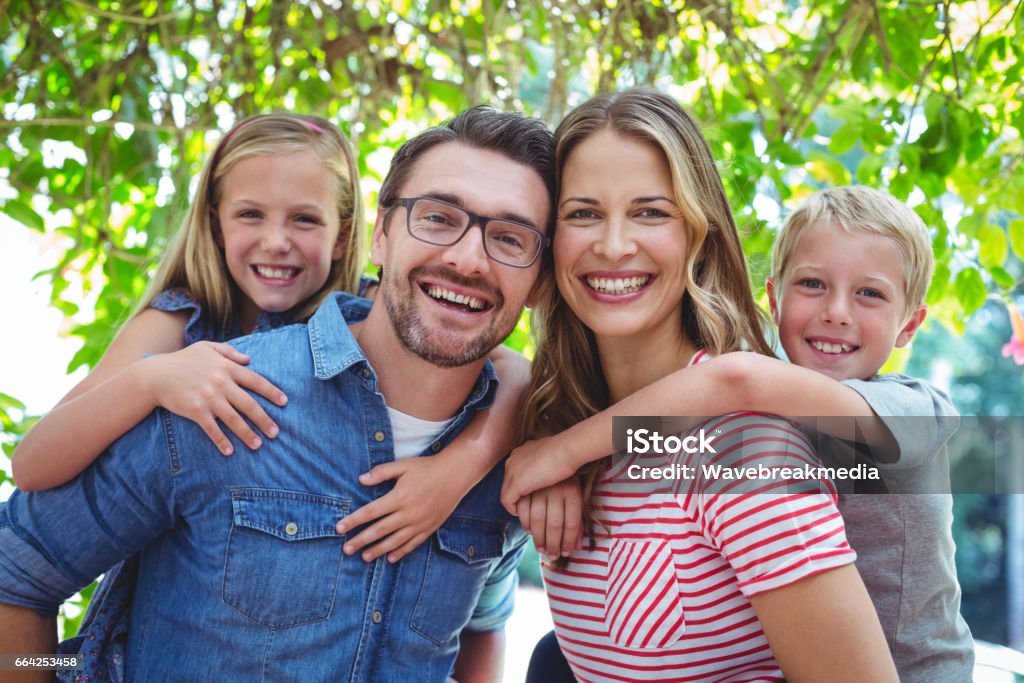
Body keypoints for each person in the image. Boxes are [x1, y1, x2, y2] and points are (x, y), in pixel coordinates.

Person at [0, 105, 555, 682]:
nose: (467, 258)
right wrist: (150, 379)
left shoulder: (543, 447)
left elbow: (485, 621)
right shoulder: (198, 375)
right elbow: (23, 536)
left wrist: (479, 458)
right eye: (438, 219)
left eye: (510, 238)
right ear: (381, 235)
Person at [505, 184, 975, 681]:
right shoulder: (773, 411)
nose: (837, 311)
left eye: (870, 294)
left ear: (910, 325)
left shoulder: (915, 411)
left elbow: (733, 378)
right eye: (813, 284)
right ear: (774, 298)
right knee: (552, 655)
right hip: (794, 656)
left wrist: (564, 452)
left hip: (917, 672)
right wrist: (552, 435)